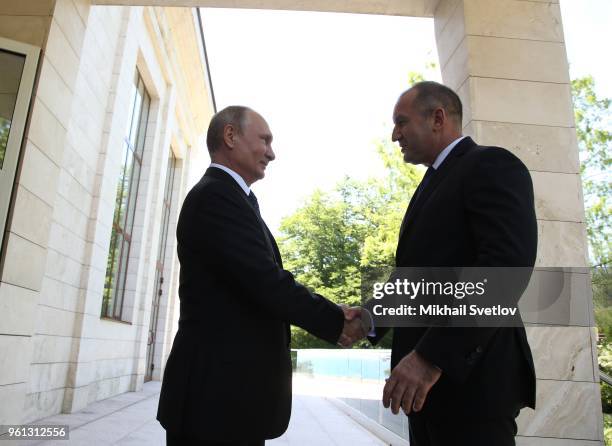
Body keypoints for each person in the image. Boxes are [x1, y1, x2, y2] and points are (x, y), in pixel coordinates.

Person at [156, 106, 365, 446]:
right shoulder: (217, 197)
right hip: (214, 403)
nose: (272, 152)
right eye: (265, 140)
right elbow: (267, 282)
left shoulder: (235, 198)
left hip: (229, 401)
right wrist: (336, 319)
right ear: (230, 136)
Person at [367, 81, 538, 446]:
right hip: (426, 395)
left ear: (438, 118)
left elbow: (505, 269)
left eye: (401, 121)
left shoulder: (490, 164)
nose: (394, 134)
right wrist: (366, 319)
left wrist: (431, 357)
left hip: (472, 384)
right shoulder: (433, 182)